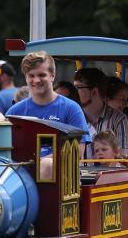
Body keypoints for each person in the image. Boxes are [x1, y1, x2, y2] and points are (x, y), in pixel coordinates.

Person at [6, 51, 91, 179]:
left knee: (46, 165)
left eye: (41, 75)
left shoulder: (71, 108)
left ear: (52, 75)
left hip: (63, 181)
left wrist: (40, 163)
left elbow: (77, 151)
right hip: (23, 176)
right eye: (31, 75)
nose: (36, 80)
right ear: (25, 77)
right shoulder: (14, 112)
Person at [74, 66, 128, 158]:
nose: (74, 92)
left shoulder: (120, 120)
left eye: (78, 87)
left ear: (94, 92)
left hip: (109, 172)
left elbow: (123, 158)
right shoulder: (72, 118)